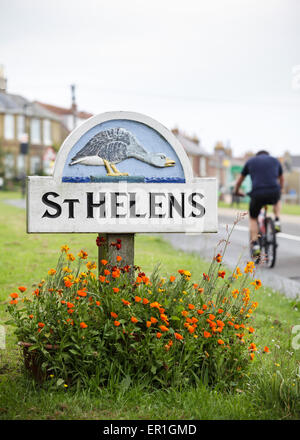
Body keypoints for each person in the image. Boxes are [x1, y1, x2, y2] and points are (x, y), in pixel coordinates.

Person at [234, 150, 284, 257]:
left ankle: (255, 244)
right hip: (273, 191)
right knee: (277, 199)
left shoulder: (251, 161)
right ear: (267, 155)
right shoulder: (275, 161)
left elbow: (239, 180)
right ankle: (277, 220)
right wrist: (280, 190)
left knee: (253, 218)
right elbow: (281, 178)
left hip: (257, 193)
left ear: (257, 156)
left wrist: (237, 191)